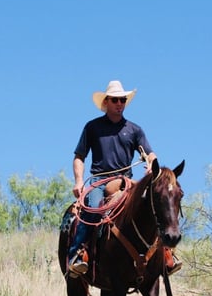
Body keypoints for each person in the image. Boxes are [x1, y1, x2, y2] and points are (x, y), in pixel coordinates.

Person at [67, 80, 182, 277]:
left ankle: (166, 253)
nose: (119, 103)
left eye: (122, 100)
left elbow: (150, 154)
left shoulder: (134, 130)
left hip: (127, 182)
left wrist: (150, 165)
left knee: (152, 205)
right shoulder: (92, 127)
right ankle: (77, 254)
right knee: (93, 209)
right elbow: (79, 156)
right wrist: (78, 181)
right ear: (106, 102)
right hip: (100, 182)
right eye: (115, 100)